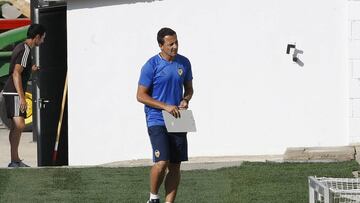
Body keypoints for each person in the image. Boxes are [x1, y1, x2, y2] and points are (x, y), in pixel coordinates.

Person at [137, 27, 194, 203]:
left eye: (176, 42)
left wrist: (185, 100)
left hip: (177, 119)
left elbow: (189, 89)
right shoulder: (151, 65)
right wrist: (165, 106)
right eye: (171, 44)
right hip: (156, 118)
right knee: (162, 162)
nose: (175, 46)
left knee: (175, 166)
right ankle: (153, 198)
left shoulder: (184, 63)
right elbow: (140, 95)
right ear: (161, 45)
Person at [2, 24, 46, 167]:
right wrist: (22, 97)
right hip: (13, 91)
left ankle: (15, 160)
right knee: (19, 125)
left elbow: (20, 68)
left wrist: (31, 69)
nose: (43, 41)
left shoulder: (23, 48)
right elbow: (16, 73)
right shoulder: (25, 50)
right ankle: (14, 160)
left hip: (12, 91)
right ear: (37, 37)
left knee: (17, 127)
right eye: (43, 38)